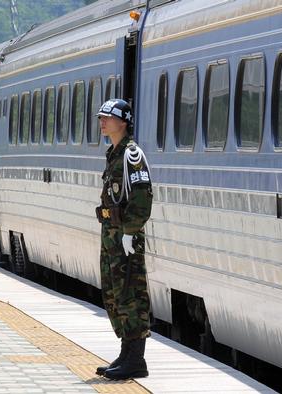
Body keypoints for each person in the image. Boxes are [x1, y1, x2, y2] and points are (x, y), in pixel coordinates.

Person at [94, 99, 153, 380]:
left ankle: (136, 360)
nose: (102, 122)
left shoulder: (131, 155)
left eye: (107, 118)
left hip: (125, 237)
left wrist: (131, 231)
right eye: (101, 118)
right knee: (115, 295)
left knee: (131, 295)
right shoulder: (114, 154)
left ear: (124, 121)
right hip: (112, 236)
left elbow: (142, 198)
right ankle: (126, 353)